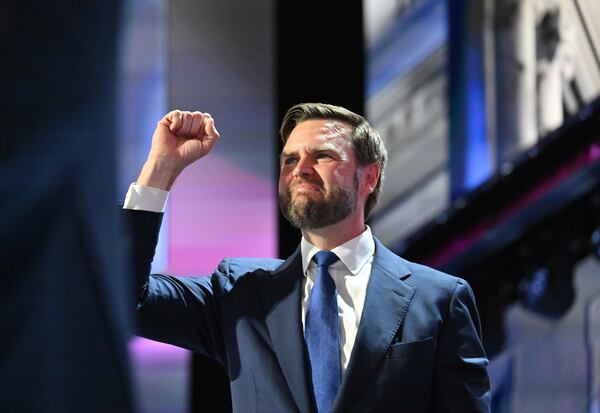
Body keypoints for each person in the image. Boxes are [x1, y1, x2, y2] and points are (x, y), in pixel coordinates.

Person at [123, 103, 491, 412]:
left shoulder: (438, 298)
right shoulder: (240, 292)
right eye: (289, 160)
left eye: (323, 155)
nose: (299, 169)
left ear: (369, 177)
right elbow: (126, 300)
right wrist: (160, 168)